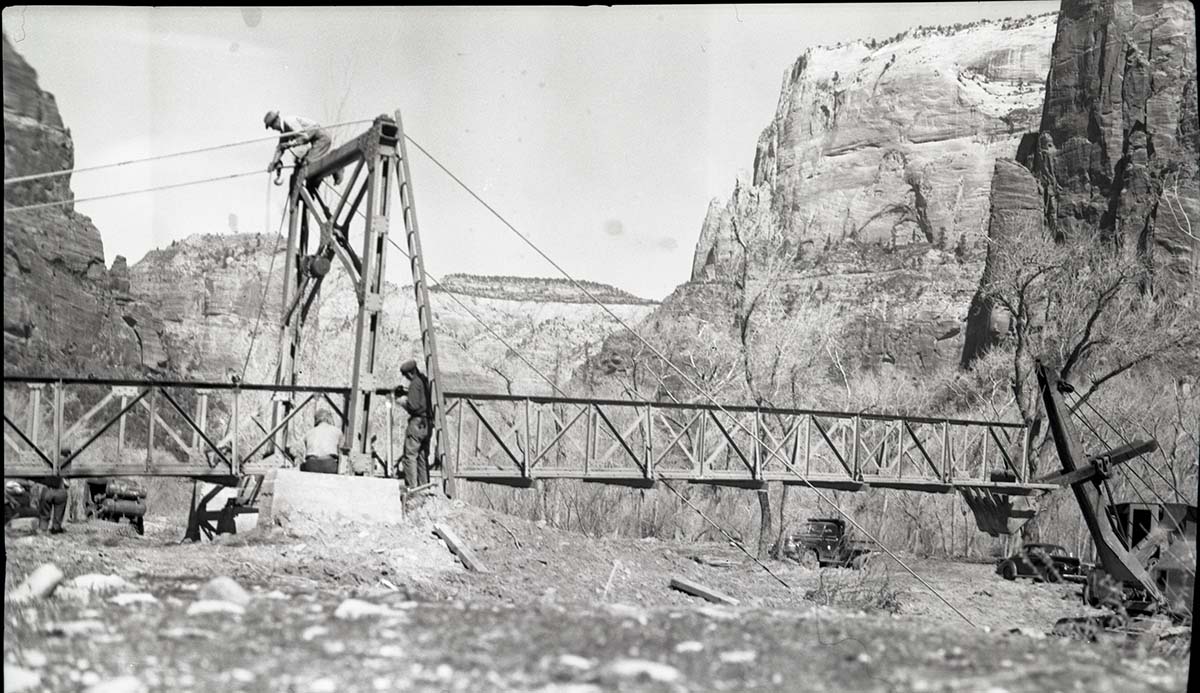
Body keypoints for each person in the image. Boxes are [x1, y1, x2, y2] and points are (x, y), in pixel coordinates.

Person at [263, 110, 343, 186]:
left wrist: (289, 144)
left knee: (309, 164)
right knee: (305, 166)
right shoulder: (284, 130)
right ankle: (312, 185)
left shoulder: (289, 122)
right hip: (316, 140)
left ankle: (336, 165)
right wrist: (274, 163)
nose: (273, 129)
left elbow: (304, 137)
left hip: (321, 138)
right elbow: (280, 148)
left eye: (271, 126)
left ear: (276, 121)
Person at [396, 359, 432, 488]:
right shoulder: (425, 381)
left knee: (410, 456)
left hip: (417, 422)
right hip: (427, 423)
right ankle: (424, 487)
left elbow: (414, 406)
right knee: (422, 458)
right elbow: (422, 400)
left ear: (410, 373)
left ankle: (412, 487)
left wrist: (402, 401)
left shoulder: (415, 383)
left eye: (406, 376)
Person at [301, 409, 343, 474]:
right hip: (329, 465)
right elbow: (341, 453)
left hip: (311, 465)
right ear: (329, 419)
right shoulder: (337, 431)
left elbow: (304, 452)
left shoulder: (308, 433)